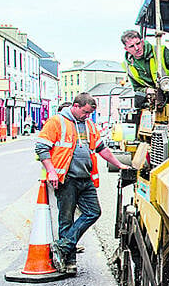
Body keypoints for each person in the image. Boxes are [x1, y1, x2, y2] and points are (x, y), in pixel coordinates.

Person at [35, 92, 130, 275]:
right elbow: (42, 148)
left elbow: (101, 148)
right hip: (66, 179)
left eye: (89, 113)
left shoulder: (88, 125)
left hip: (85, 178)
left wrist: (119, 164)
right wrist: (51, 171)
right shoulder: (57, 122)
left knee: (94, 212)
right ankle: (69, 263)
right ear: (76, 106)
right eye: (85, 112)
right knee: (66, 220)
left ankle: (63, 247)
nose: (87, 116)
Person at [121, 29, 169, 94]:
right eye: (131, 46)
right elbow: (137, 88)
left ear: (142, 42)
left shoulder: (160, 51)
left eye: (138, 43)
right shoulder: (127, 66)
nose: (136, 48)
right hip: (153, 97)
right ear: (126, 49)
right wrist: (146, 90)